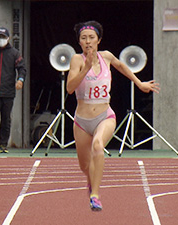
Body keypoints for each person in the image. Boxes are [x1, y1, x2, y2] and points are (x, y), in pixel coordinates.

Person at [67, 21, 160, 211]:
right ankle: (91, 179)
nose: (88, 42)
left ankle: (95, 195)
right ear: (79, 42)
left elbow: (121, 66)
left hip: (105, 116)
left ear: (99, 40)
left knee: (98, 145)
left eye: (91, 38)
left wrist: (139, 83)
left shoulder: (106, 57)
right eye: (83, 38)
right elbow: (69, 89)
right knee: (85, 166)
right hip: (82, 121)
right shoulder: (76, 60)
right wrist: (84, 69)